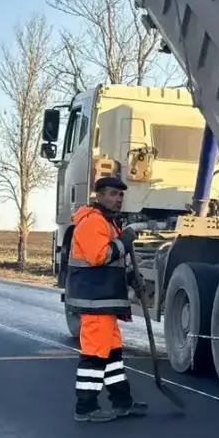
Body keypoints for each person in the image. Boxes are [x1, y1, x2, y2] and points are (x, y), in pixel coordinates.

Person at [66, 176, 145, 422]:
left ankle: (122, 401)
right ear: (98, 196)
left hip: (105, 301)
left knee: (112, 356)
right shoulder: (92, 223)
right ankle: (86, 407)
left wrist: (132, 277)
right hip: (95, 301)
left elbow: (113, 261)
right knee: (94, 356)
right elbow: (100, 256)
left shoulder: (109, 223)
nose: (118, 199)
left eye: (120, 195)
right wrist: (125, 240)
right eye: (112, 194)